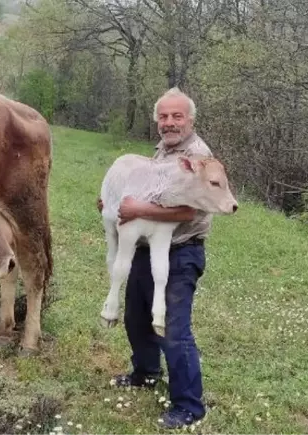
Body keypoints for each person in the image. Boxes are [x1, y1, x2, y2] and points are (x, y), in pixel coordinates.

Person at [97, 87, 213, 429]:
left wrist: (136, 208)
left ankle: (189, 405)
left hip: (181, 252)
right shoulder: (164, 150)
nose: (169, 123)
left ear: (190, 119)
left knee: (173, 329)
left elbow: (190, 209)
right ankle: (146, 372)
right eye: (163, 117)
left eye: (177, 116)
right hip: (145, 248)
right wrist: (114, 204)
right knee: (136, 317)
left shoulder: (198, 156)